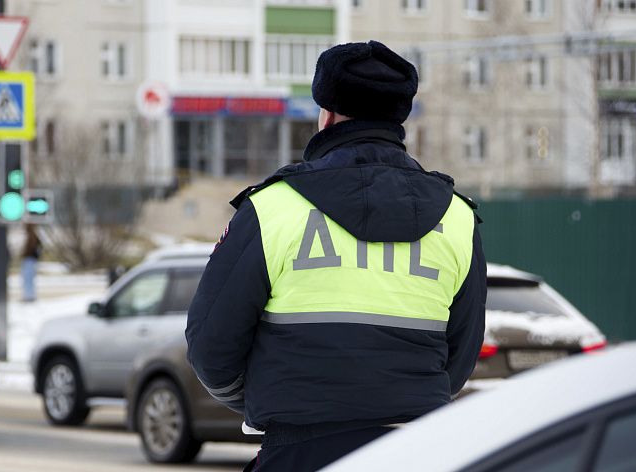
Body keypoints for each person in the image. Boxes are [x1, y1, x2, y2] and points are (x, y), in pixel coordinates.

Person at [185, 40, 487, 472]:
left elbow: (211, 347)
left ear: (326, 117)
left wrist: (267, 398)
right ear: (399, 119)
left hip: (301, 453)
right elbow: (459, 358)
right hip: (420, 453)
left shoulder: (275, 208)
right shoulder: (457, 218)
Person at [20, 223, 42, 302]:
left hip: (30, 260)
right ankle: (29, 295)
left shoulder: (32, 238)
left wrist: (26, 254)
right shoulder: (32, 237)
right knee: (28, 278)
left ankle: (29, 296)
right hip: (30, 259)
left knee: (28, 278)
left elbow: (33, 249)